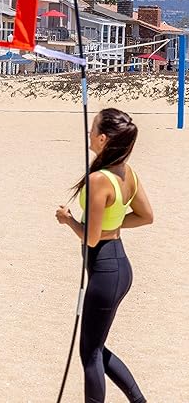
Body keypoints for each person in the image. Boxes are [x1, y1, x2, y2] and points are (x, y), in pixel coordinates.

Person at [55, 108, 153, 403]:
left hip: (106, 269)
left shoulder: (100, 179)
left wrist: (67, 219)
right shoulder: (128, 173)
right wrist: (114, 223)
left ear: (101, 138)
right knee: (96, 346)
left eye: (93, 127)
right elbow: (145, 216)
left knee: (90, 354)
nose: (89, 132)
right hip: (119, 266)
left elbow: (92, 236)